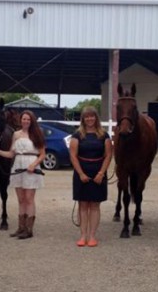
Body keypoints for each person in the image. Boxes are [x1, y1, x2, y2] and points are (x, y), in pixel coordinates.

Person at [0, 110, 45, 240]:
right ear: (20, 120)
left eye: (28, 119)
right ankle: (21, 227)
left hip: (31, 166)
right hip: (18, 166)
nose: (25, 121)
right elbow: (11, 153)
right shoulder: (15, 134)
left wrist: (34, 164)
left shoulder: (37, 134)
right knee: (21, 199)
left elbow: (42, 154)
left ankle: (29, 229)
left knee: (29, 199)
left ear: (31, 121)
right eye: (24, 119)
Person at [69, 106, 112, 247]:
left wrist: (101, 173)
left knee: (94, 205)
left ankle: (92, 236)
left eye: (92, 116)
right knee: (82, 205)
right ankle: (83, 236)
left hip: (98, 173)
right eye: (86, 117)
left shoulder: (104, 136)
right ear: (83, 119)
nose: (89, 119)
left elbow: (108, 156)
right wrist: (81, 173)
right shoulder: (77, 136)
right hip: (81, 172)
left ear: (96, 118)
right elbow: (73, 156)